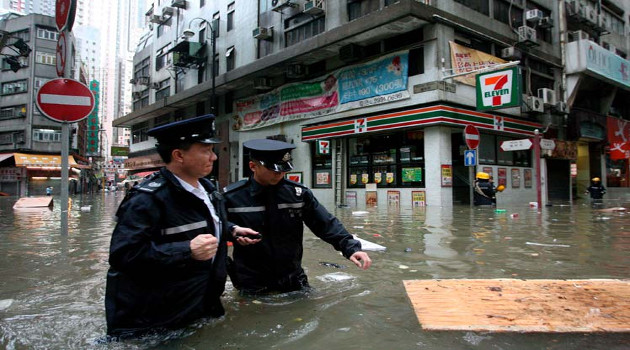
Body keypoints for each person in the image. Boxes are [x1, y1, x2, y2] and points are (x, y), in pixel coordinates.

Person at [105, 115, 229, 338]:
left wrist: (233, 230)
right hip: (156, 323)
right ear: (179, 155)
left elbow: (209, 225)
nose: (214, 156)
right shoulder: (147, 199)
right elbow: (123, 255)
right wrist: (187, 250)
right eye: (205, 149)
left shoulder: (209, 189)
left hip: (199, 307)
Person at [223, 139, 372, 295]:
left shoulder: (297, 194)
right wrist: (231, 231)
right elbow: (215, 227)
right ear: (253, 166)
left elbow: (324, 223)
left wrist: (350, 247)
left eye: (283, 169)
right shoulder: (232, 197)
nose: (280, 174)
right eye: (273, 170)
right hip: (252, 281)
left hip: (292, 278)